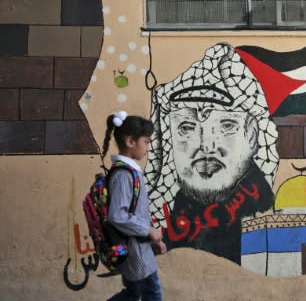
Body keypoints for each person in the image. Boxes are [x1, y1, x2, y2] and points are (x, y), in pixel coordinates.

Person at [144, 43, 279, 264]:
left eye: (226, 125)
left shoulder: (261, 203)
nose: (206, 146)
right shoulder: (164, 210)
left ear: (253, 135)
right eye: (186, 127)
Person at [102, 110, 166, 301]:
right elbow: (118, 215)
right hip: (136, 254)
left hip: (139, 250)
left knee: (133, 294)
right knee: (152, 295)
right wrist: (148, 230)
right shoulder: (123, 175)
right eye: (146, 142)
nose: (148, 148)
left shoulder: (131, 172)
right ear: (130, 142)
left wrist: (153, 239)